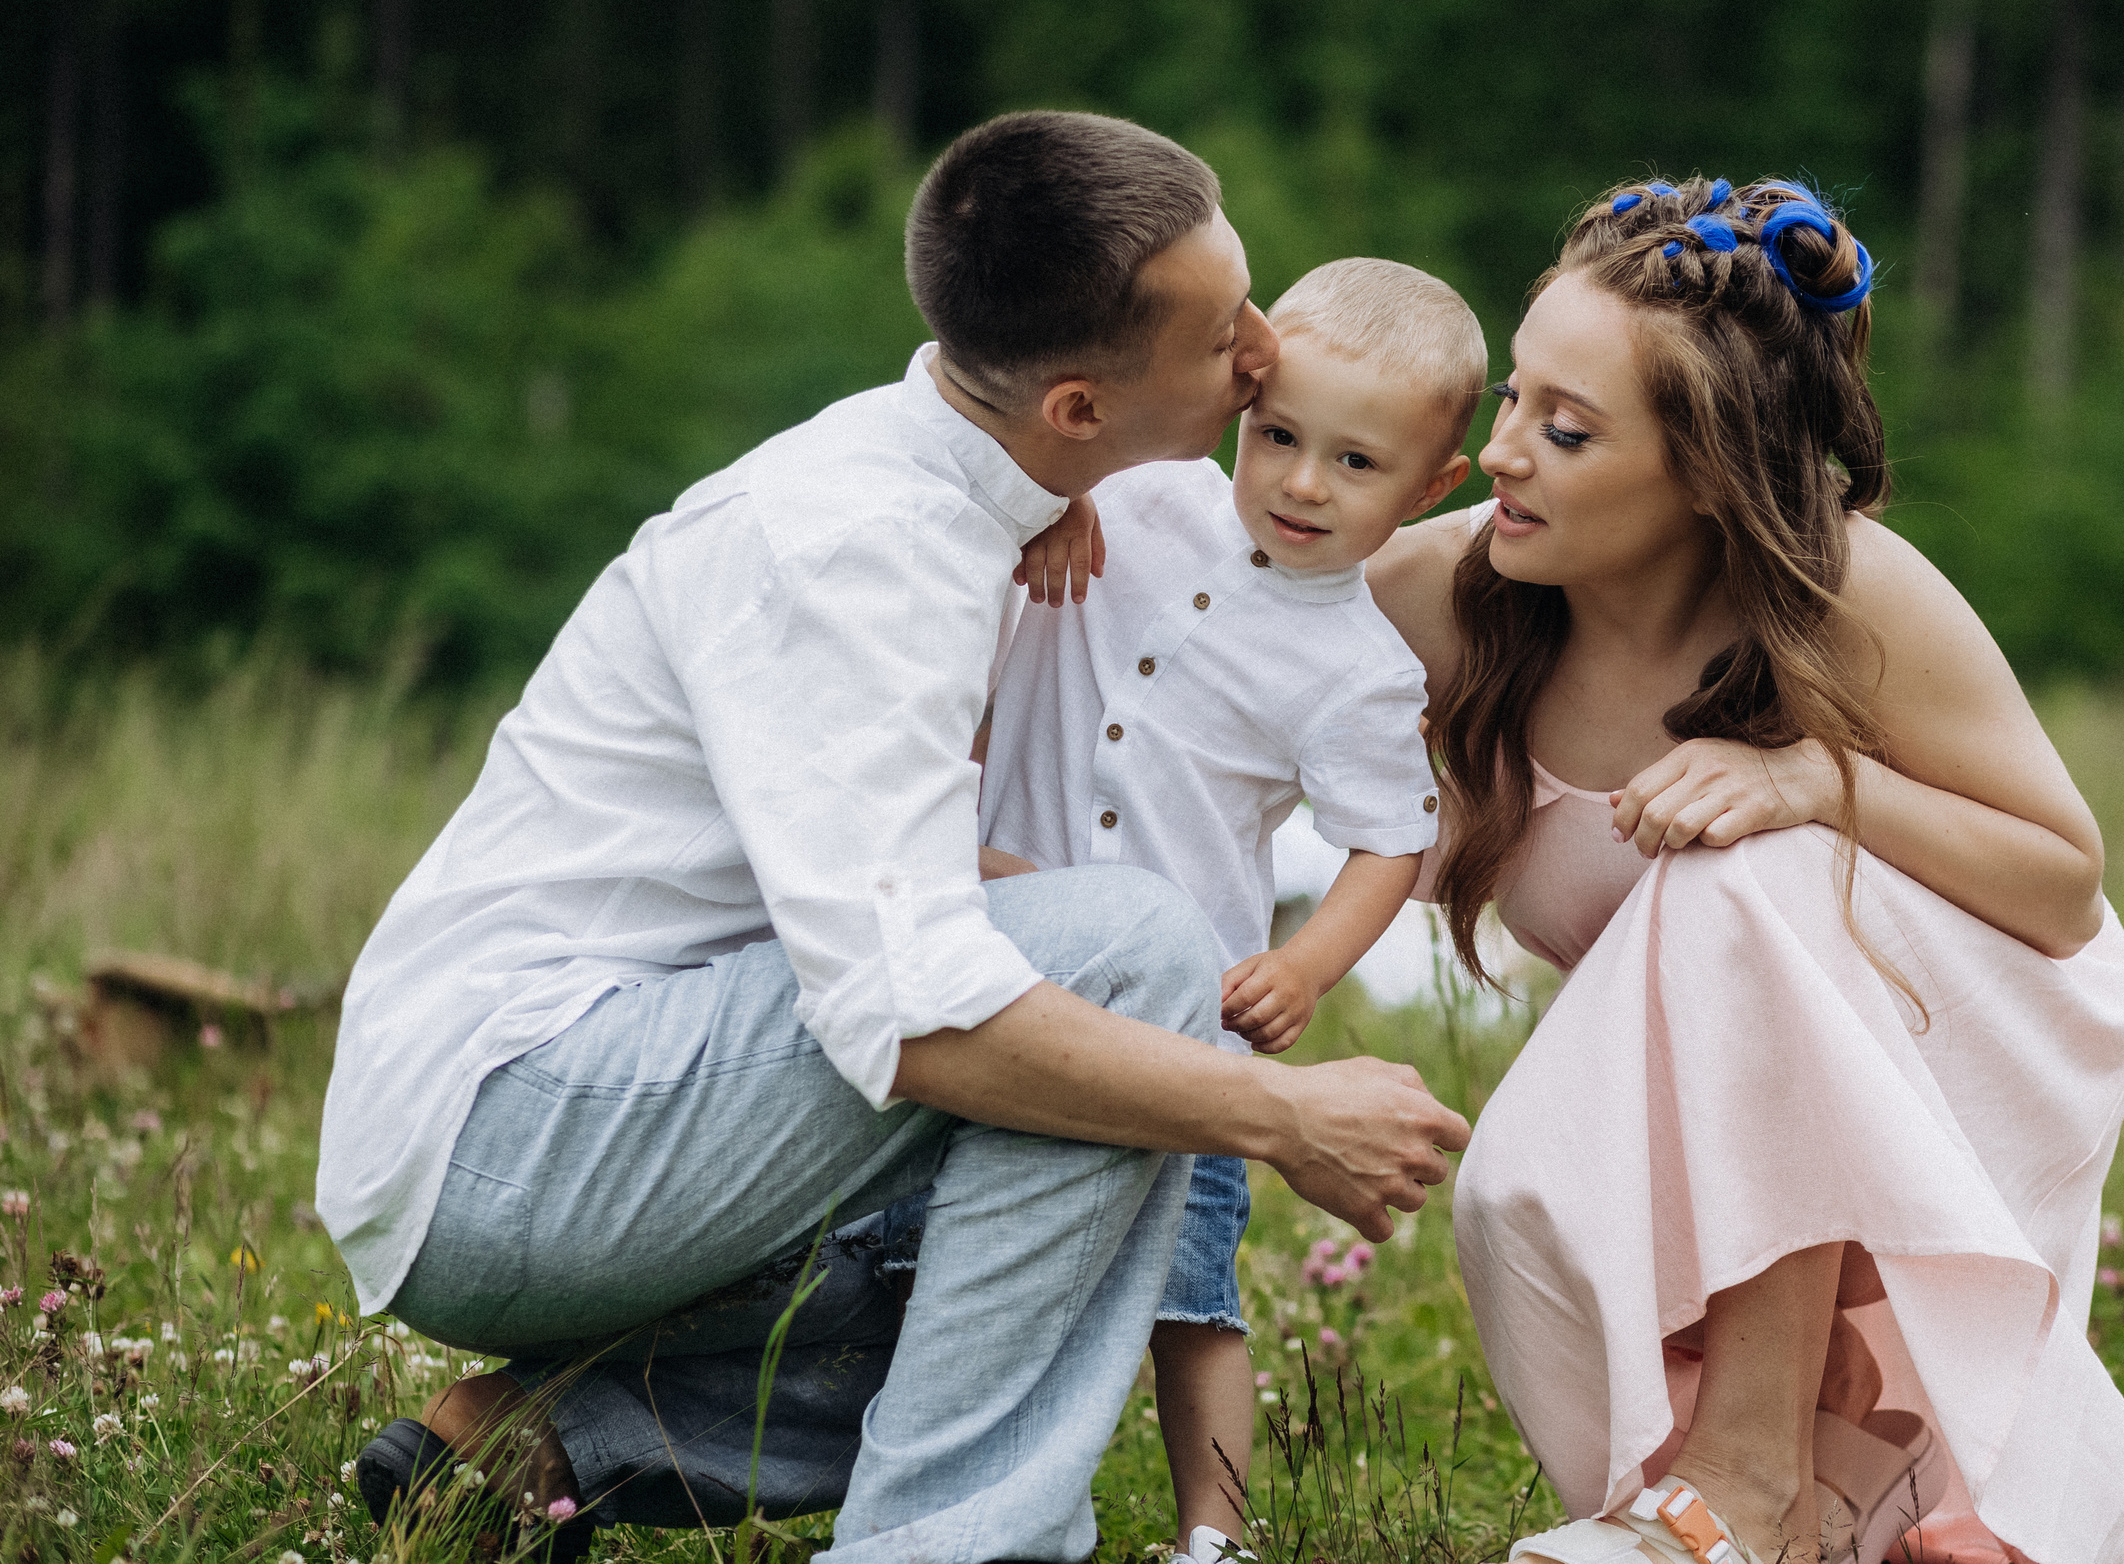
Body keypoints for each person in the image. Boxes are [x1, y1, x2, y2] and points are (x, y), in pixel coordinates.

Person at [315, 111, 1471, 1564]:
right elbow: (916, 1020)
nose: (1261, 348)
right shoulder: (867, 552)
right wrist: (1281, 1116)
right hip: (514, 1139)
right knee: (1134, 956)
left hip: (627, 1100)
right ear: (1074, 407)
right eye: (1225, 334)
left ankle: (552, 1444)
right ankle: (949, 1544)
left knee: (1057, 1248)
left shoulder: (1002, 484)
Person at [1367, 177, 2124, 1564]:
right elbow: (1197, 635)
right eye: (1511, 399)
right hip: (1731, 1063)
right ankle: (1814, 1488)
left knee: (1747, 873)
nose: (1505, 455)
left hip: (1978, 1009)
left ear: (1705, 472)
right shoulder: (1441, 594)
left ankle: (1753, 1492)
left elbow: (2061, 883)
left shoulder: (1842, 591)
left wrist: (1813, 782)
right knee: (1519, 1195)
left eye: (1566, 430)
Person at [979, 256, 1481, 1564]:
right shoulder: (1142, 498)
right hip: (995, 937)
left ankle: (1214, 1538)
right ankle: (999, 1476)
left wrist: (1308, 966)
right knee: (963, 1249)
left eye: (1359, 465)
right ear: (1241, 407)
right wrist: (1046, 505)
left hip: (1187, 1012)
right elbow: (1042, 436)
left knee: (1190, 1293)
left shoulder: (1359, 668)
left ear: (1433, 488)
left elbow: (1388, 842)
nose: (1305, 483)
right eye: (1280, 438)